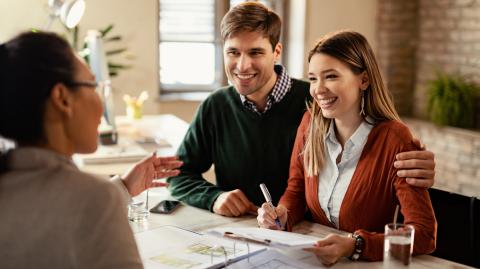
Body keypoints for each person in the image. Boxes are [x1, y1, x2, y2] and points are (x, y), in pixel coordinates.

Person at [167, 2, 436, 218]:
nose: (242, 65)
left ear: (277, 52)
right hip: (244, 234)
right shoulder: (215, 106)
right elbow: (179, 175)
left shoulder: (320, 103)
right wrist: (214, 198)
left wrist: (412, 162)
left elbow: (371, 151)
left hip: (311, 234)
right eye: (233, 52)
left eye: (256, 52)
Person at [0, 31, 182, 269]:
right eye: (93, 86)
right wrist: (106, 197)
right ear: (62, 98)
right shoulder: (93, 199)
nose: (102, 103)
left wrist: (123, 188)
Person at [257, 30, 436, 265]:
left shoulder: (395, 139)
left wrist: (356, 244)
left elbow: (423, 234)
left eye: (331, 76)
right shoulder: (310, 124)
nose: (318, 89)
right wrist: (282, 214)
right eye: (313, 78)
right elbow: (296, 190)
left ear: (363, 80)